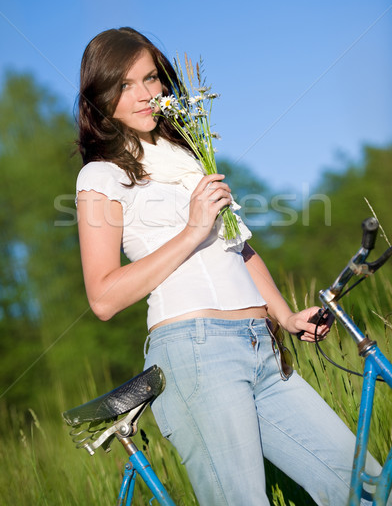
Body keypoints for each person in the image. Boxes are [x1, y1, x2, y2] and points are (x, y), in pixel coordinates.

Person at [75, 26, 381, 506]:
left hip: (261, 347)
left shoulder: (191, 157)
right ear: (99, 98)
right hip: (195, 352)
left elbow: (236, 246)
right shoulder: (101, 176)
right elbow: (103, 297)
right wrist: (192, 229)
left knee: (365, 485)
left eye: (151, 78)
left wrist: (285, 316)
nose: (145, 95)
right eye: (124, 85)